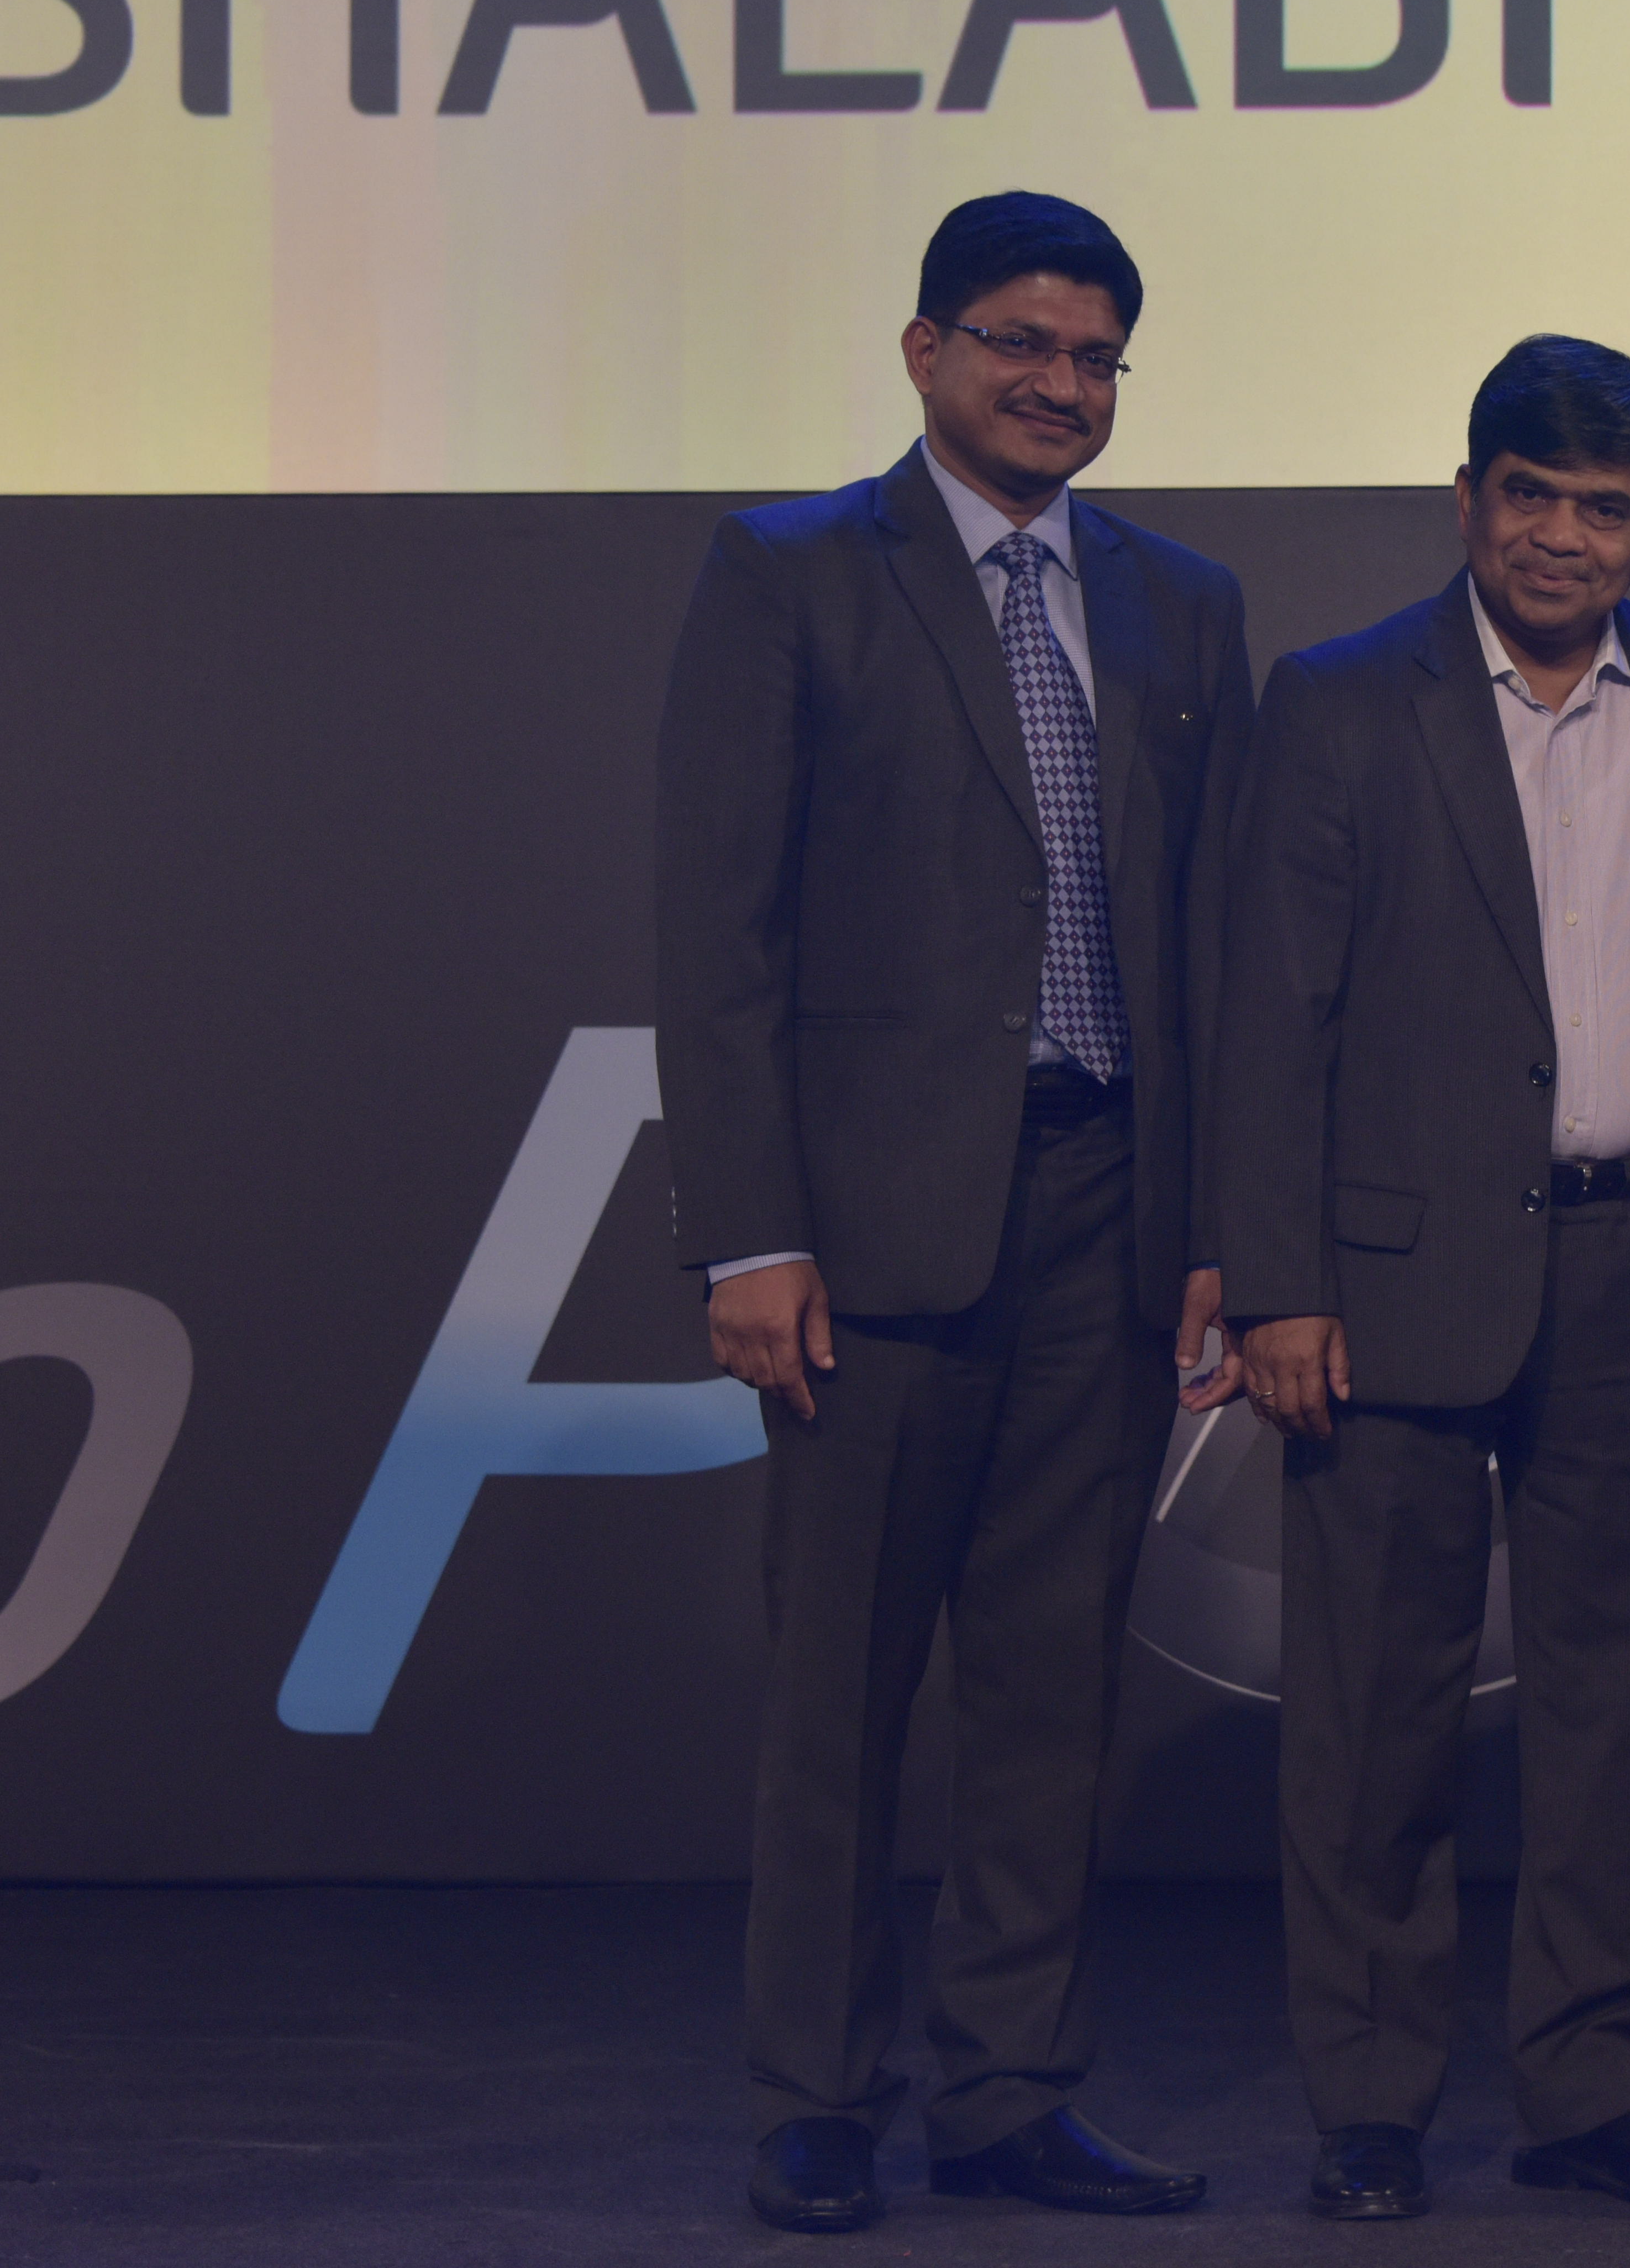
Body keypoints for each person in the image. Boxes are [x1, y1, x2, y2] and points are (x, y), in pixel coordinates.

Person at [655, 192, 1252, 2236]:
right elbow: (719, 931)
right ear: (925, 351)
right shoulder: (792, 573)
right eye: (1020, 343)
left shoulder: (1183, 604)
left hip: (1109, 1203)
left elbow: (1211, 938)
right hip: (872, 1228)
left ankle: (1009, 2087)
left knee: (1052, 1687)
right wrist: (749, 1231)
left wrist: (1215, 1222)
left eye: (1094, 357)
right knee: (841, 1690)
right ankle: (816, 2095)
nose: (1060, 385)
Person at [1214, 336, 1630, 2223]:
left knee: (1615, 1714)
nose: (1559, 538)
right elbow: (1272, 1014)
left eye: (1602, 509)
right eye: (1528, 496)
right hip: (1384, 1286)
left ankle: (1596, 2093)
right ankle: (1371, 2104)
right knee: (1375, 1714)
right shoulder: (1342, 698)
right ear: (1467, 500)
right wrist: (1278, 1284)